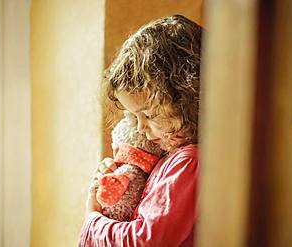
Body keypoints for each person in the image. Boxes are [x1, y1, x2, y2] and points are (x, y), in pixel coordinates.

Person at [78, 14, 202, 247]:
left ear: (188, 100)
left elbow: (145, 240)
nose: (141, 128)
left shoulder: (189, 162)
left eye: (150, 114)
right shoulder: (167, 157)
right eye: (133, 116)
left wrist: (93, 219)